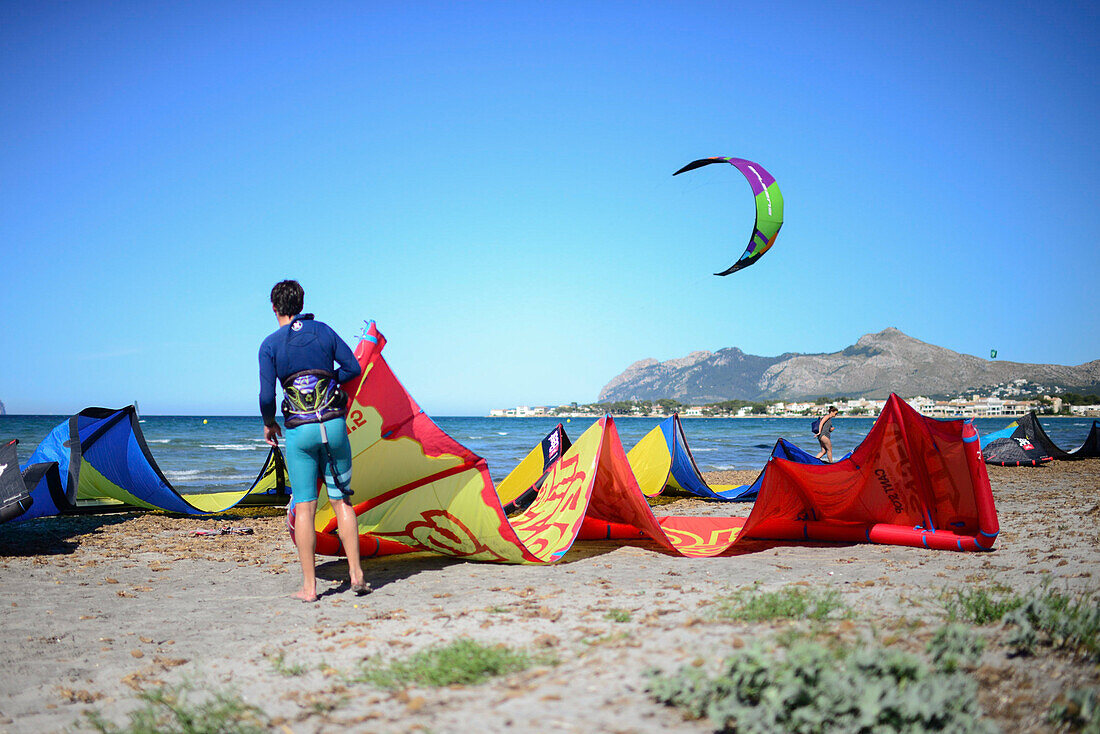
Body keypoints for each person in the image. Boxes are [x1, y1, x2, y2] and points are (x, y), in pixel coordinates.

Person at [259, 280, 368, 603]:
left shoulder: (269, 345)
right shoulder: (323, 331)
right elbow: (353, 367)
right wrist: (327, 380)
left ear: (275, 308)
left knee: (305, 506)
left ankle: (310, 588)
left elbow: (267, 396)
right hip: (333, 425)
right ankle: (357, 575)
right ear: (301, 302)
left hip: (299, 430)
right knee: (341, 502)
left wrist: (269, 424)